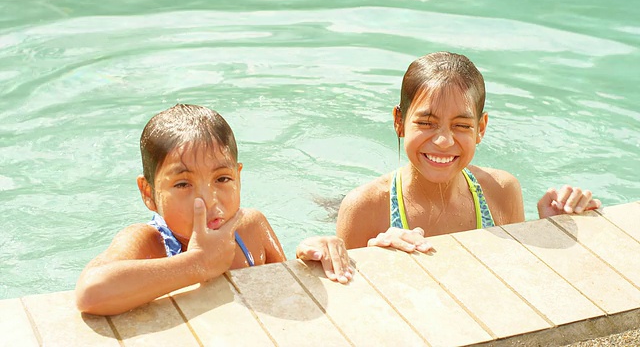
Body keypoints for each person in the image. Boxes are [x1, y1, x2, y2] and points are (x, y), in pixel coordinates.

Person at [76, 103, 353, 316]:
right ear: (148, 193)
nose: (208, 200)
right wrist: (197, 264)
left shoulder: (251, 230)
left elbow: (285, 291)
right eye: (183, 184)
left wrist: (309, 255)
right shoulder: (149, 243)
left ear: (238, 177)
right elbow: (90, 293)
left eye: (222, 179)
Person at [336, 51, 601, 253]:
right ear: (399, 121)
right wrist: (378, 263)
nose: (443, 140)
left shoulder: (501, 192)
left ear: (480, 128)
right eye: (426, 123)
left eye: (461, 125)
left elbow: (516, 276)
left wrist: (552, 230)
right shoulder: (364, 208)